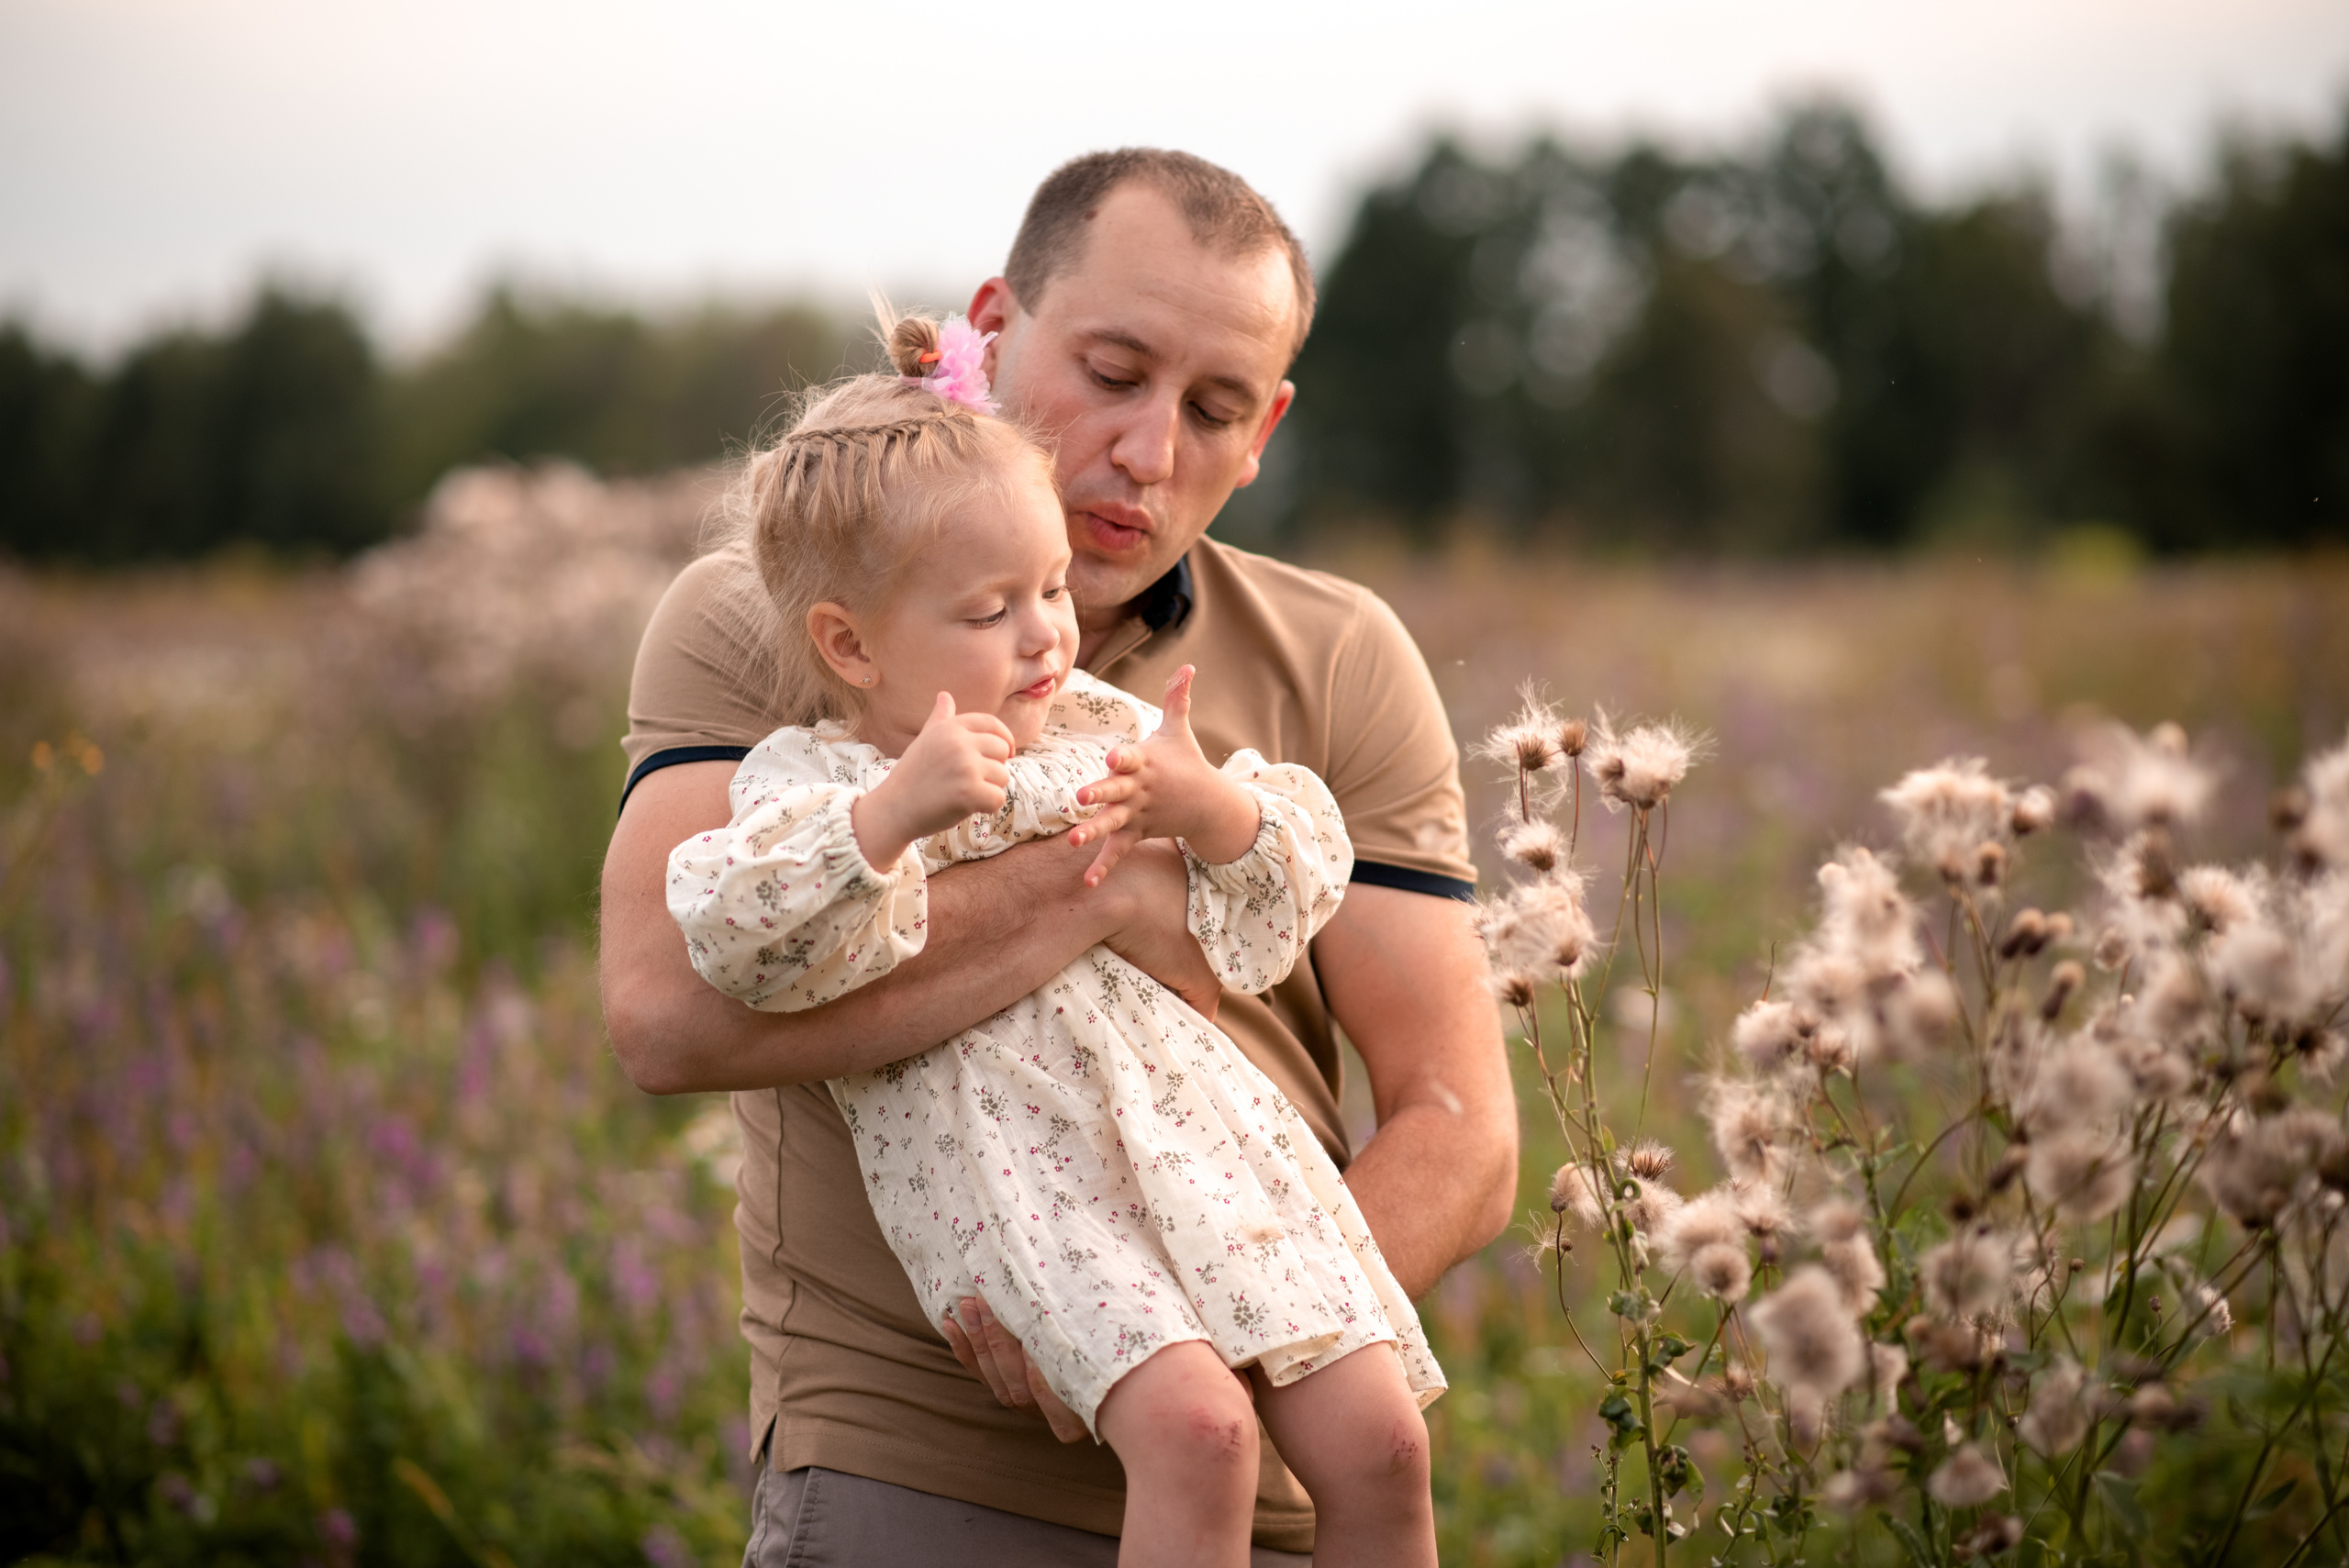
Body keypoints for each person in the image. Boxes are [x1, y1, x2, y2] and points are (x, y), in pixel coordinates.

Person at [598, 149, 1517, 1563]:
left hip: (1271, 1480)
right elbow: (670, 1013)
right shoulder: (777, 612)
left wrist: (1212, 1322)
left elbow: (1460, 1122)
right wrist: (1109, 893)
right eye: (1112, 371)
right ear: (993, 326)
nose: (1148, 449)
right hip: (915, 1466)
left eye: (1213, 408)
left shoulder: (1343, 654)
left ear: (1266, 429)